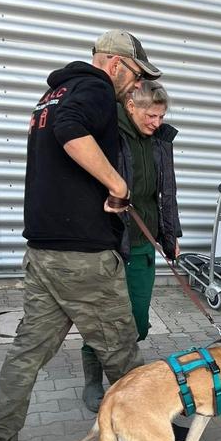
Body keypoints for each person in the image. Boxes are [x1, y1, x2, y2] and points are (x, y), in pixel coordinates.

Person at [0, 30, 162, 441]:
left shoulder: (53, 93)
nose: (135, 85)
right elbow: (72, 133)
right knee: (122, 348)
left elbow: (63, 143)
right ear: (115, 64)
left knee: (28, 350)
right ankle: (150, 432)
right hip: (82, 256)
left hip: (44, 250)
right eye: (136, 75)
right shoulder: (96, 88)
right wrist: (118, 184)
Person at [81, 80, 183, 413]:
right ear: (131, 107)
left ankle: (123, 374)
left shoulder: (159, 142)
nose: (157, 122)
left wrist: (171, 236)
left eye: (161, 115)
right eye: (151, 115)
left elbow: (167, 192)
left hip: (143, 241)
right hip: (109, 241)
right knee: (102, 320)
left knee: (137, 318)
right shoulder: (108, 134)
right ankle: (95, 381)